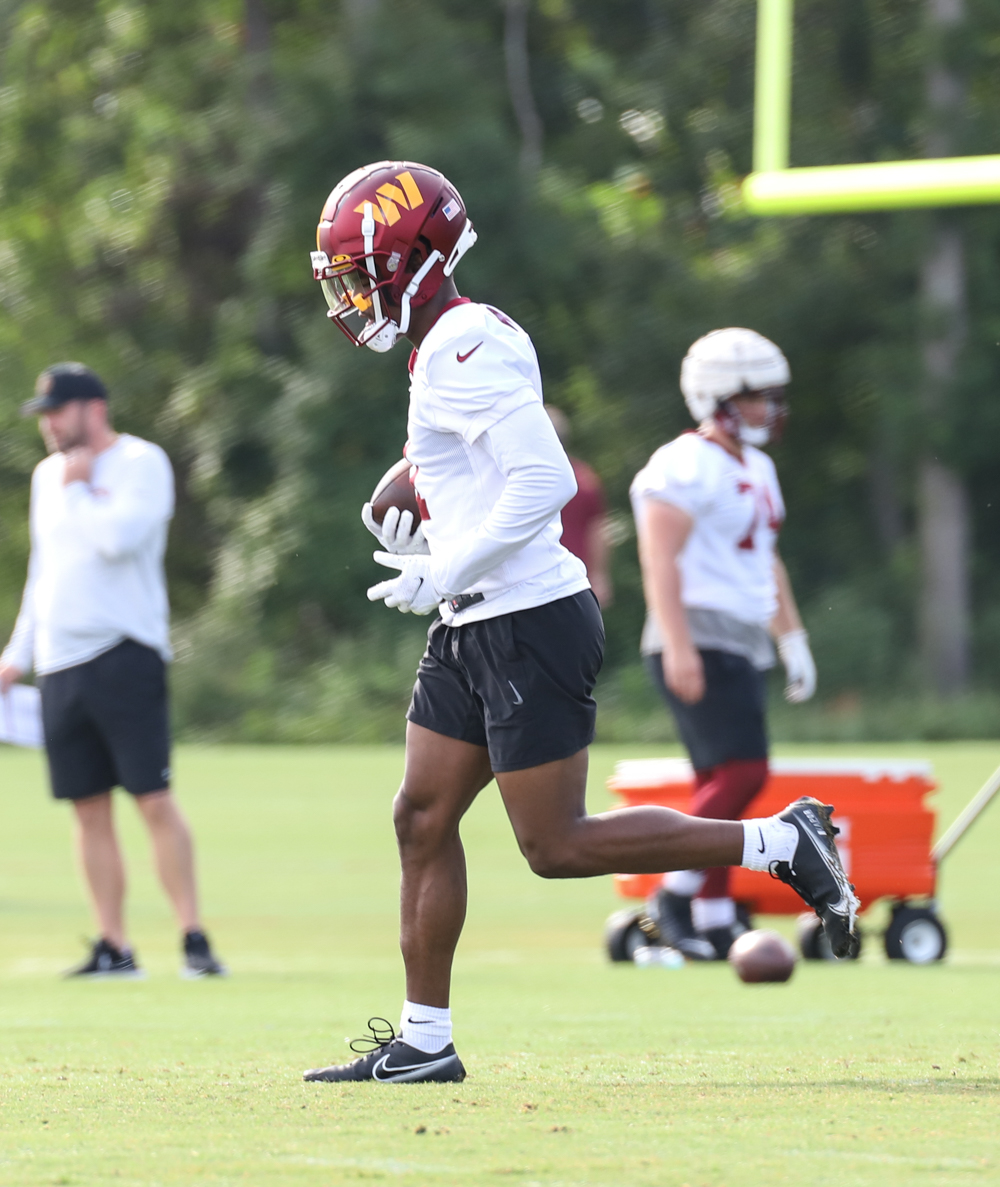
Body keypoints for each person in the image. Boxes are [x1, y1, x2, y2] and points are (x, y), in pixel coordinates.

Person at [302, 162, 856, 1084]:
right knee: (421, 816)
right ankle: (424, 1041)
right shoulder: (447, 341)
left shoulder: (462, 343)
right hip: (473, 617)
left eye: (363, 274)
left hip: (528, 619)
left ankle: (784, 842)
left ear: (417, 257)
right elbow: (477, 472)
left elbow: (546, 484)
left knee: (554, 846)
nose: (353, 300)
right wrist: (420, 510)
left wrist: (448, 561)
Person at [0, 363, 226, 980]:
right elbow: (44, 572)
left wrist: (80, 489)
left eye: (56, 411)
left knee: (151, 798)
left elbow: (118, 540)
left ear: (91, 408)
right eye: (43, 413)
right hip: (60, 663)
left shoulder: (140, 463)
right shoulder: (49, 476)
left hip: (124, 653)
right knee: (86, 807)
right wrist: (17, 654)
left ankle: (193, 940)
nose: (47, 424)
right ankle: (113, 946)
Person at [630, 328, 817, 961]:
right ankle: (673, 894)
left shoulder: (757, 466)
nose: (771, 408)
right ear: (719, 397)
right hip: (697, 630)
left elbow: (768, 563)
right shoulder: (685, 462)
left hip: (740, 636)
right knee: (744, 772)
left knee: (721, 778)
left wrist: (792, 639)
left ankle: (712, 913)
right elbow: (659, 559)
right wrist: (677, 644)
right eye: (758, 396)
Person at [544, 406, 613, 606]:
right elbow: (600, 531)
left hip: (537, 582)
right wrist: (599, 576)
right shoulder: (585, 478)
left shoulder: (522, 480)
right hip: (578, 581)